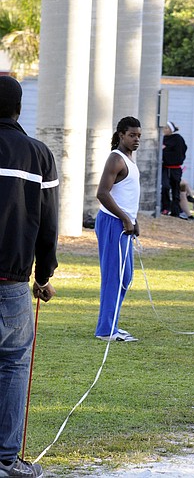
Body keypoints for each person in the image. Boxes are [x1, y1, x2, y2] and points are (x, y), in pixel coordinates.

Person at [0, 75, 58, 478]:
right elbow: (48, 222)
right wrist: (44, 274)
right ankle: (6, 459)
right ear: (19, 108)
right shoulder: (38, 155)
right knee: (14, 365)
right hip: (13, 285)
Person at [95, 116, 142, 343]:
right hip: (112, 223)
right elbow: (102, 193)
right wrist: (124, 218)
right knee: (114, 276)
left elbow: (127, 195)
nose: (136, 139)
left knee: (126, 276)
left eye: (139, 136)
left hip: (124, 224)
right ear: (121, 134)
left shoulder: (130, 160)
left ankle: (111, 323)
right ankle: (106, 331)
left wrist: (133, 219)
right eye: (132, 135)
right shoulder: (116, 159)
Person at [161, 121, 187, 218]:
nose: (164, 130)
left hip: (175, 169)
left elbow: (180, 152)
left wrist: (166, 150)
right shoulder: (162, 139)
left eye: (167, 128)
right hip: (165, 168)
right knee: (165, 187)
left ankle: (175, 210)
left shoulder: (178, 139)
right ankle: (165, 207)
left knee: (176, 189)